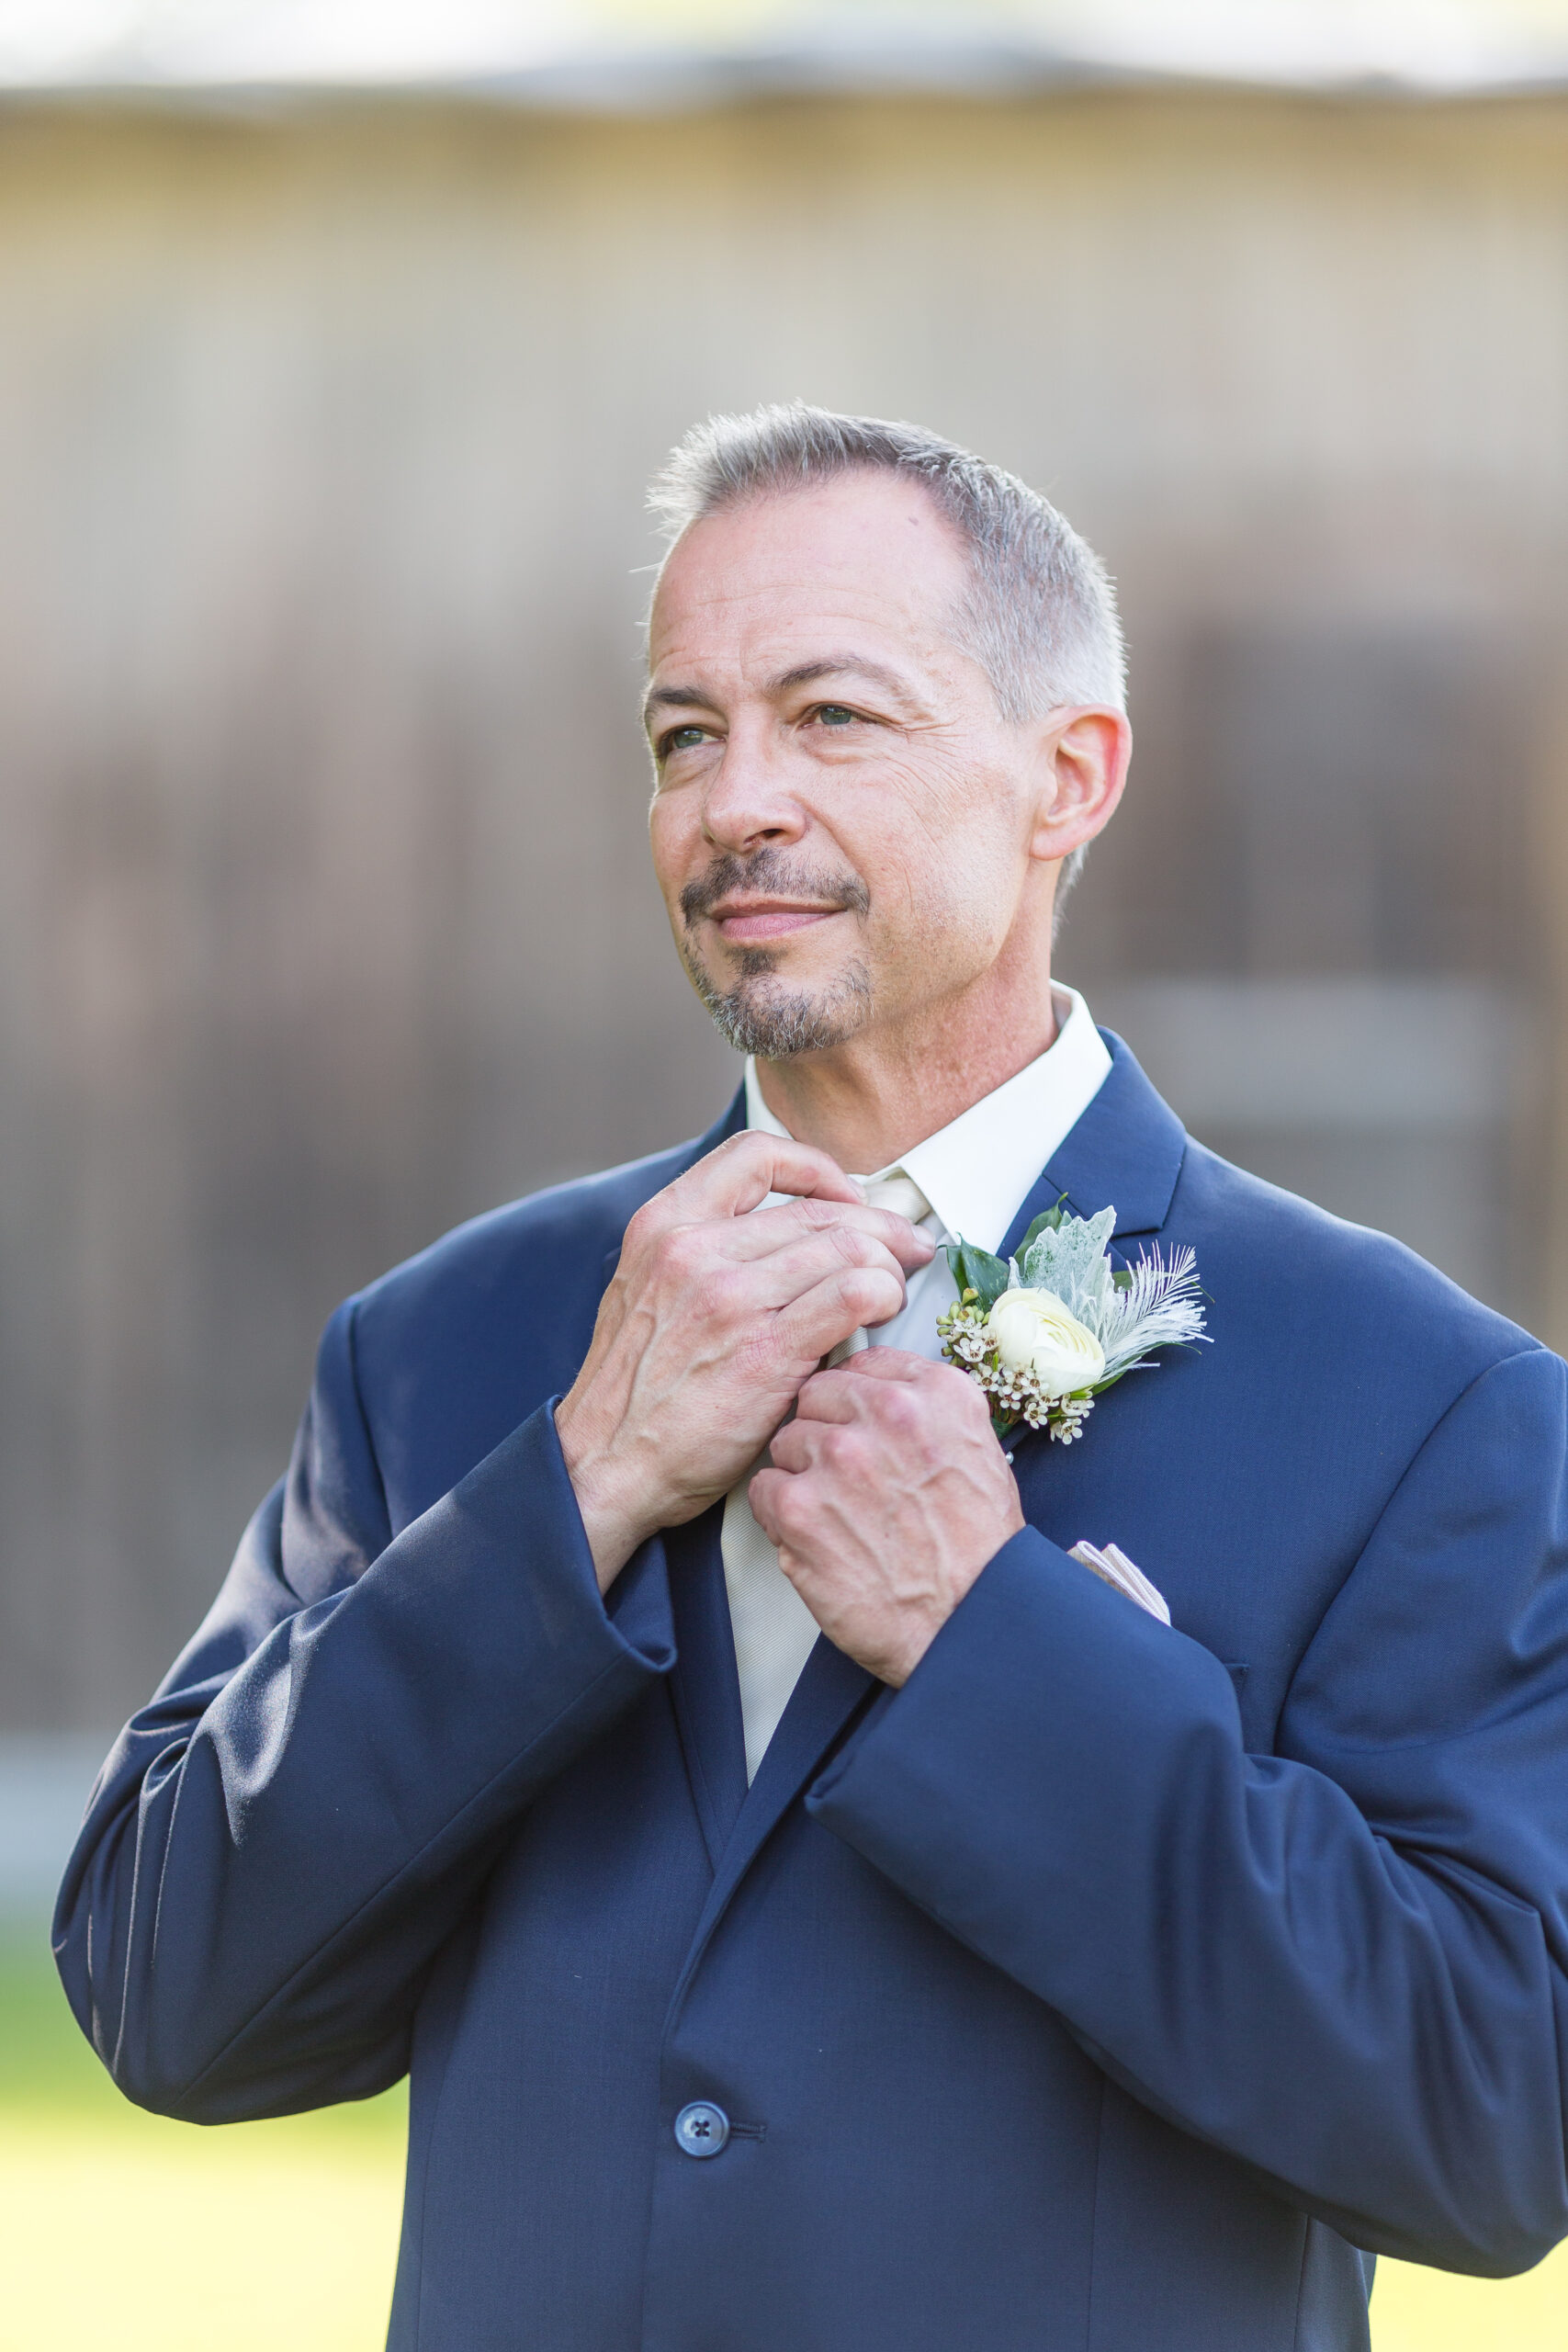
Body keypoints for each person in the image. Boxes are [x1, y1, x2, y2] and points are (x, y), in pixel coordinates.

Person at [56, 405, 1568, 2352]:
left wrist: (1001, 1644)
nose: (730, 803)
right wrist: (576, 1486)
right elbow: (168, 1994)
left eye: (829, 717)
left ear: (1065, 776)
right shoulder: (447, 1347)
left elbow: (1486, 2121)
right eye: (683, 735)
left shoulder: (1419, 1405)